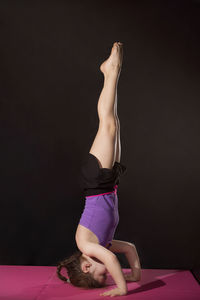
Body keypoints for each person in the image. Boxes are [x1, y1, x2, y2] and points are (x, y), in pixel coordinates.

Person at [57, 42, 141, 297]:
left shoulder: (88, 246)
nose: (106, 269)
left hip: (96, 182)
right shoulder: (102, 245)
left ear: (86, 265)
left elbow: (114, 261)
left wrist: (122, 288)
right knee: (113, 122)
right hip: (108, 183)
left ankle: (111, 70)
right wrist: (136, 272)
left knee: (107, 124)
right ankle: (109, 72)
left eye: (100, 272)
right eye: (107, 276)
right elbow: (129, 249)